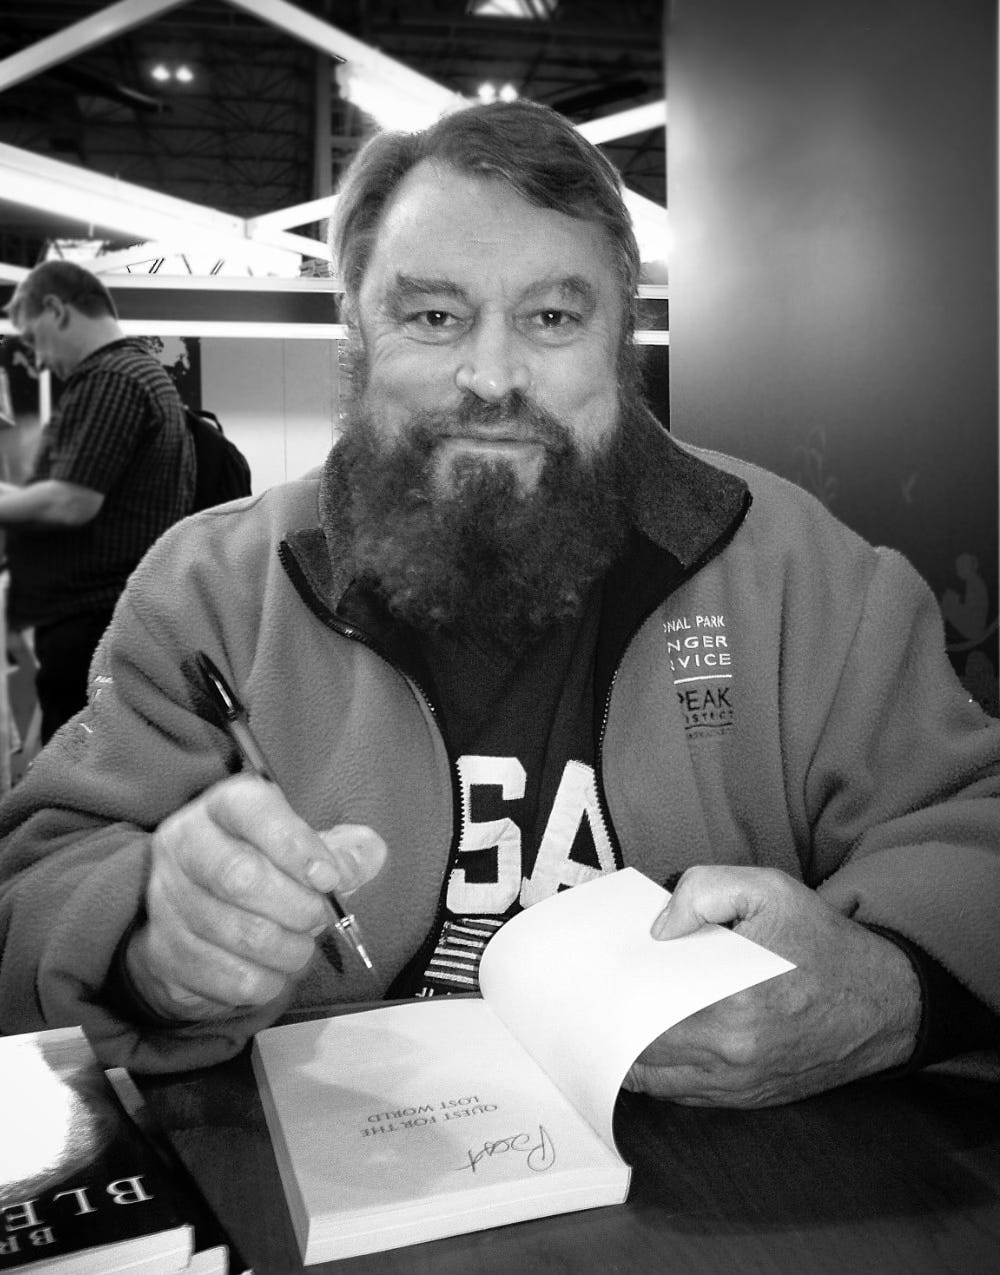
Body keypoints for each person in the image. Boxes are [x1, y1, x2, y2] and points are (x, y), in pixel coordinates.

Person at [0, 100, 997, 1098]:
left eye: (552, 318)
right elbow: (35, 886)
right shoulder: (212, 590)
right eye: (434, 317)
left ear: (620, 342)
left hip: (732, 1177)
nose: (490, 377)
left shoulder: (799, 571)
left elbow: (971, 831)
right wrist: (150, 938)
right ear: (358, 334)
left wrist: (878, 989)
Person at [0, 261, 195, 742]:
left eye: (35, 338)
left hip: (92, 623)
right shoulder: (133, 374)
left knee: (79, 768)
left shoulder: (112, 378)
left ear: (57, 310)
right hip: (104, 619)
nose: (39, 359)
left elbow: (71, 503)